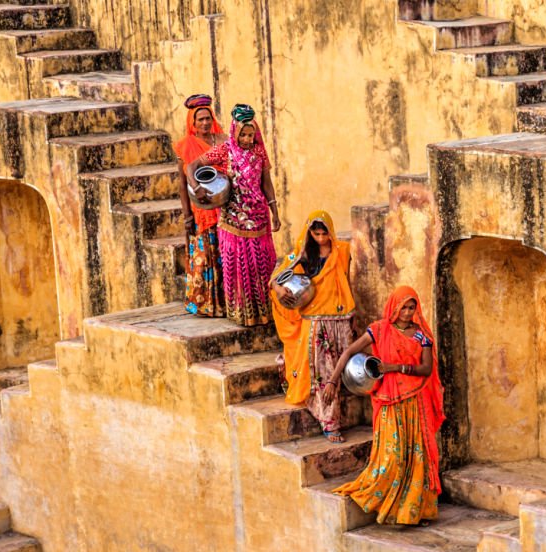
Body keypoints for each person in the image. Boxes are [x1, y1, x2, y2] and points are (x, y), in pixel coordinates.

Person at [331, 286, 445, 525]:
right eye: (403, 306)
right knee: (392, 455)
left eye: (411, 307)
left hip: (416, 400)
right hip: (389, 401)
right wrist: (333, 381)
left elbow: (426, 369)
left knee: (417, 455)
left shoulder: (421, 335)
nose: (407, 311)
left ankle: (412, 511)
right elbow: (349, 351)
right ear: (394, 306)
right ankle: (387, 503)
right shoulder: (379, 330)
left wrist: (395, 367)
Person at [186, 104, 280, 326]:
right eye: (243, 134)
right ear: (234, 132)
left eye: (251, 134)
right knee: (238, 269)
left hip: (258, 218)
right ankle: (242, 314)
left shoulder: (259, 151)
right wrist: (196, 187)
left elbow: (266, 183)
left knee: (262, 266)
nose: (247, 139)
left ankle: (264, 313)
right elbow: (192, 166)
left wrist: (275, 210)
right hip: (233, 221)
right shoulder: (225, 150)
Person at [270, 210, 356, 443]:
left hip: (340, 319)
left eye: (324, 233)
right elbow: (275, 278)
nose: (320, 238)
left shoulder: (342, 251)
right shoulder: (303, 254)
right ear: (310, 233)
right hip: (316, 324)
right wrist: (280, 291)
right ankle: (329, 422)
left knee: (340, 370)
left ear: (330, 232)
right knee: (324, 374)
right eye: (316, 233)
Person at [174, 94, 226, 317]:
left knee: (225, 256)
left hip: (225, 205)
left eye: (207, 118)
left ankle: (225, 302)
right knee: (205, 258)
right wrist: (187, 216)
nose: (204, 123)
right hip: (201, 209)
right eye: (200, 120)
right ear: (192, 124)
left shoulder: (223, 140)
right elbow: (183, 183)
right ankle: (206, 304)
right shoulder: (186, 146)